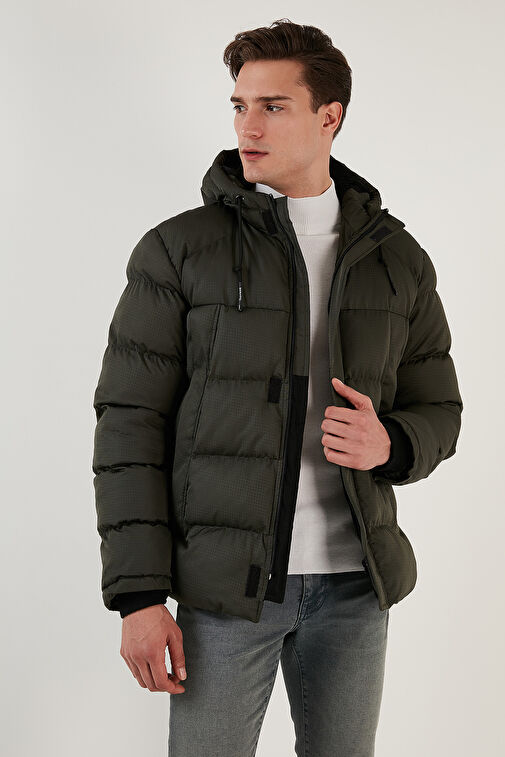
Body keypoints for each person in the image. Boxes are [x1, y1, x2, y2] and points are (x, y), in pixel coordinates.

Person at [92, 18, 463, 757]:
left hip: (356, 588)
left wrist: (392, 443)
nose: (247, 126)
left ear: (330, 116)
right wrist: (138, 595)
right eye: (239, 105)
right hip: (226, 594)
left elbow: (440, 408)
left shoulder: (398, 260)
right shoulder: (179, 249)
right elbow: (128, 425)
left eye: (273, 106)